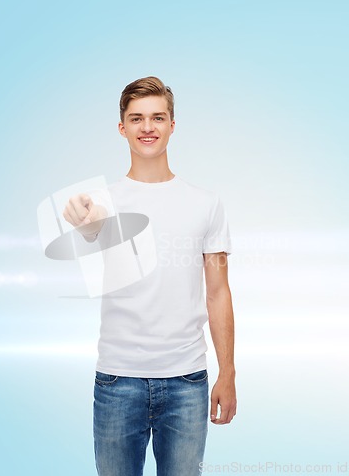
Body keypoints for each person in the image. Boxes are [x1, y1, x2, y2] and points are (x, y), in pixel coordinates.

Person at [63, 76, 236, 476]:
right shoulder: (102, 203)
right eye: (136, 118)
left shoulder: (206, 203)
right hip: (117, 381)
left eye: (158, 117)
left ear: (172, 125)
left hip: (187, 382)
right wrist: (82, 220)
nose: (147, 127)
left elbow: (218, 292)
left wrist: (227, 372)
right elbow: (87, 233)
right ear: (122, 127)